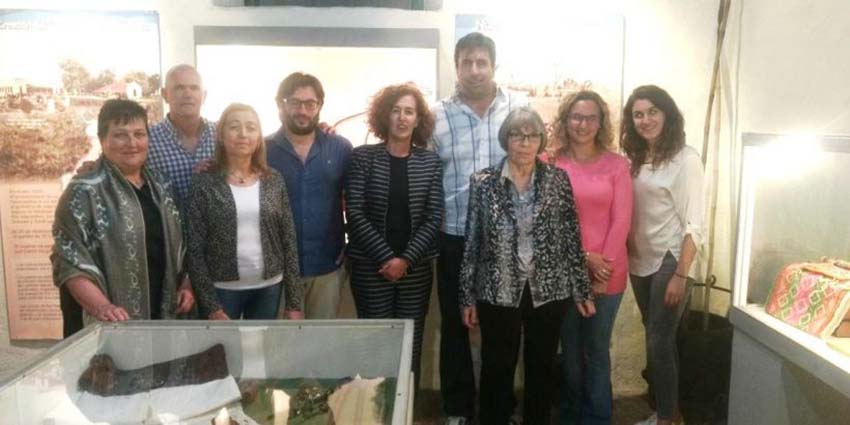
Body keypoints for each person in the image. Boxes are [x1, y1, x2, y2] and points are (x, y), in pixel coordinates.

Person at [459, 107, 595, 425]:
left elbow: (570, 238)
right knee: (496, 369)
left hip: (548, 291)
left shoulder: (557, 180)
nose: (524, 142)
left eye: (532, 135)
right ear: (506, 139)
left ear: (541, 140)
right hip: (498, 290)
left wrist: (581, 289)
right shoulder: (483, 182)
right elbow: (472, 243)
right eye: (517, 135)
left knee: (542, 369)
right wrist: (466, 297)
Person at [429, 31, 529, 424]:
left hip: (509, 242)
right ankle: (457, 409)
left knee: (503, 329)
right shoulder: (436, 116)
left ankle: (497, 409)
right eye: (466, 62)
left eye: (481, 62)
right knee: (456, 326)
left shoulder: (518, 109)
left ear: (493, 65)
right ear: (456, 67)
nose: (474, 70)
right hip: (454, 236)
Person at [51, 99, 193, 334]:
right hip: (110, 322)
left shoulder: (163, 186)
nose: (132, 143)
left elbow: (187, 244)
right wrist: (102, 307)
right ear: (102, 139)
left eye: (139, 134)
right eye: (120, 135)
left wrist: (188, 284)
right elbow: (68, 261)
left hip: (164, 314)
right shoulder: (82, 192)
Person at [541, 90, 633, 425]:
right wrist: (583, 259)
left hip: (608, 275)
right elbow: (545, 222)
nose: (583, 124)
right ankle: (570, 415)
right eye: (576, 117)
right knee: (569, 352)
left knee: (596, 350)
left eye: (590, 117)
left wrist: (601, 267)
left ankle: (596, 418)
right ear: (565, 121)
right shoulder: (549, 162)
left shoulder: (617, 165)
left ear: (601, 122)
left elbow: (621, 219)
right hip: (564, 271)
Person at [345, 83, 443, 392]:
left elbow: (433, 216)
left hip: (415, 270)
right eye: (396, 110)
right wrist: (387, 258)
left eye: (409, 111)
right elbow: (355, 213)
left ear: (418, 119)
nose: (402, 117)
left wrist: (406, 260)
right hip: (371, 268)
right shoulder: (362, 158)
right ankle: (376, 412)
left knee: (409, 347)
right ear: (384, 115)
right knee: (376, 347)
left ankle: (405, 411)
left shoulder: (430, 162)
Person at [621, 85, 704, 425]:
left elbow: (695, 224)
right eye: (638, 114)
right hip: (640, 258)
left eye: (652, 112)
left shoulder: (686, 159)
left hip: (671, 259)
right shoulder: (637, 158)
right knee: (659, 339)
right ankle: (670, 412)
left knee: (658, 340)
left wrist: (681, 274)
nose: (645, 120)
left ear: (667, 114)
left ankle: (667, 418)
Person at [187, 103, 302, 320]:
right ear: (221, 135)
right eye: (234, 127)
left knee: (257, 352)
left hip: (268, 287)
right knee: (221, 353)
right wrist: (211, 306)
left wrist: (294, 302)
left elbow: (288, 240)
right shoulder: (204, 183)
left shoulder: (273, 180)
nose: (243, 134)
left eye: (251, 127)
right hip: (221, 289)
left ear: (259, 137)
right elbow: (194, 249)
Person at [266, 72, 353, 319]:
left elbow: (355, 203)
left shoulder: (341, 149)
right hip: (278, 271)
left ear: (319, 107)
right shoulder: (262, 151)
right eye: (294, 102)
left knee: (320, 347)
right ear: (280, 104)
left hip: (327, 265)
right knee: (281, 349)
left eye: (310, 103)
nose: (302, 111)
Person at [147, 64, 217, 211]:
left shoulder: (222, 136)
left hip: (215, 233)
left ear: (204, 96)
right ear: (165, 94)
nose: (188, 94)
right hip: (168, 232)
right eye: (179, 88)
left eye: (194, 88)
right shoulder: (147, 141)